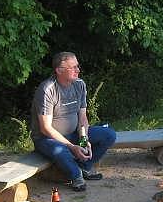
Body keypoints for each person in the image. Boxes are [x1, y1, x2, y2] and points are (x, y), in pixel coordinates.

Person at [30, 51, 117, 192]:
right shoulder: (47, 90)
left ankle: (85, 168)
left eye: (78, 66)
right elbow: (46, 128)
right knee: (60, 150)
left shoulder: (79, 85)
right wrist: (72, 147)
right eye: (73, 67)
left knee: (109, 135)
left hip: (72, 134)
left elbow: (82, 117)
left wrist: (84, 139)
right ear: (59, 70)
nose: (78, 70)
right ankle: (76, 176)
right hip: (47, 139)